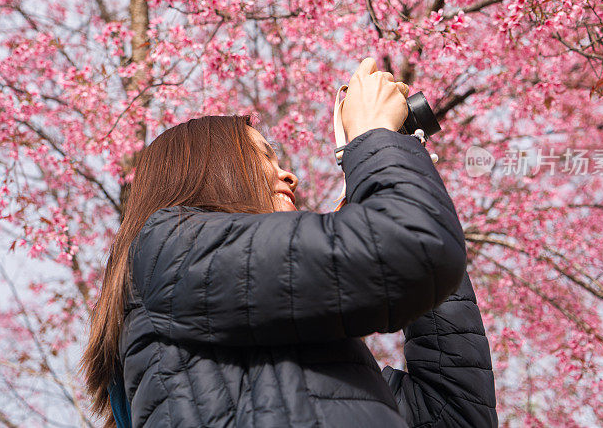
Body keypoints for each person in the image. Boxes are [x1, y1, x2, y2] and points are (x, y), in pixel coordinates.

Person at [80, 58, 498, 427]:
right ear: (210, 171)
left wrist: (395, 163)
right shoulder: (167, 252)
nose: (289, 176)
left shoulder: (317, 348)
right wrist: (373, 141)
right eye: (264, 157)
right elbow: (412, 251)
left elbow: (456, 413)